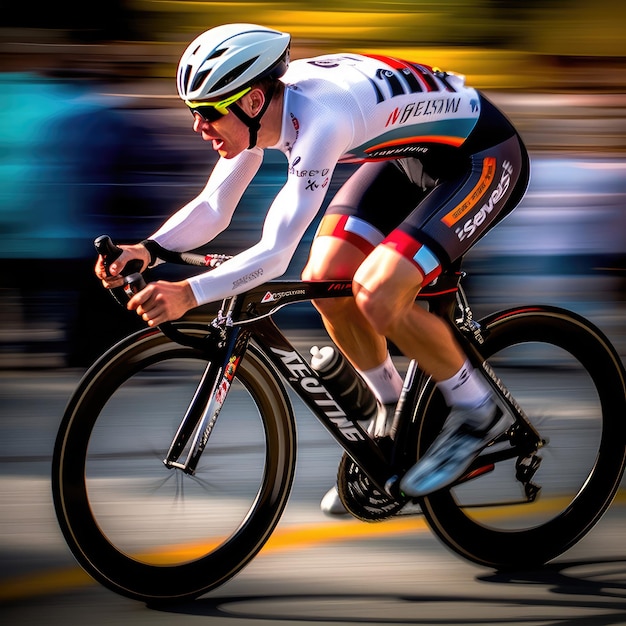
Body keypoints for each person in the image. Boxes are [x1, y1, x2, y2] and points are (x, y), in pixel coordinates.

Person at [96, 23, 530, 514]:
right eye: (193, 112)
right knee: (323, 282)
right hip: (412, 152)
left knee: (377, 290)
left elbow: (276, 251)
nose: (198, 125)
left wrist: (189, 294)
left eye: (207, 113)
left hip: (482, 157)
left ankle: (478, 410)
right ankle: (393, 415)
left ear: (253, 101)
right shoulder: (261, 113)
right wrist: (149, 250)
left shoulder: (320, 120)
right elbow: (215, 207)